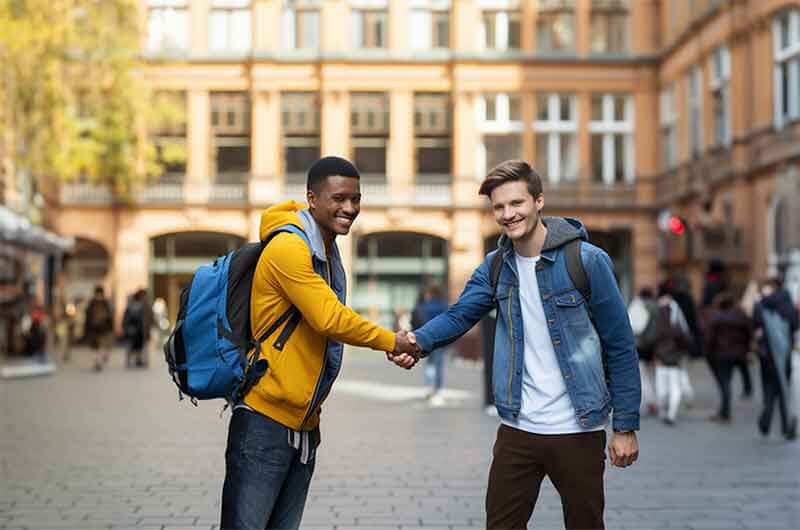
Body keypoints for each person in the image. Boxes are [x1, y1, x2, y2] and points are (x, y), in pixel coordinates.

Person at [399, 160, 641, 530]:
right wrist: (416, 341)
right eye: (499, 207)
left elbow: (620, 344)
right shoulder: (496, 267)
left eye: (517, 204)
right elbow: (461, 315)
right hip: (518, 429)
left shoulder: (587, 261)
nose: (508, 214)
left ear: (538, 201)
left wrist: (625, 426)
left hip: (578, 429)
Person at [220, 156, 419, 530]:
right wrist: (395, 340)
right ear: (312, 198)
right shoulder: (289, 249)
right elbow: (329, 318)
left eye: (356, 199)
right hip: (265, 421)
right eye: (339, 198)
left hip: (304, 424)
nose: (349, 208)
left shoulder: (325, 249)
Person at [753, 276, 799, 440]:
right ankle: (786, 425)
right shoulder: (788, 304)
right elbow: (795, 324)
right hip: (784, 353)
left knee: (769, 387)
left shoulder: (761, 303)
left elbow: (755, 323)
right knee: (783, 387)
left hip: (766, 353)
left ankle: (766, 419)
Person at [704, 291, 752, 423]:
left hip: (721, 354)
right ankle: (724, 410)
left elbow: (710, 338)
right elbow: (749, 333)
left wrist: (707, 352)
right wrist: (746, 348)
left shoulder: (716, 317)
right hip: (737, 353)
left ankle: (725, 412)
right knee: (727, 382)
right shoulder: (741, 316)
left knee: (724, 383)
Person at [653, 282, 692, 426]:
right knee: (675, 387)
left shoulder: (657, 311)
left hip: (661, 354)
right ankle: (671, 414)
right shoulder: (677, 311)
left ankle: (665, 412)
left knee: (662, 387)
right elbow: (685, 333)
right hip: (675, 355)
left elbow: (653, 336)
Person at [412, 282, 449, 406]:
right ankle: (438, 390)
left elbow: (418, 322)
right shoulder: (444, 306)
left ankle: (428, 387)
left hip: (426, 340)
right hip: (441, 340)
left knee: (429, 365)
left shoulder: (424, 306)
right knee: (439, 365)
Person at [629, 287, 658, 415]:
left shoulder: (637, 306)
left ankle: (650, 401)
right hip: (654, 345)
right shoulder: (656, 306)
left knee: (643, 375)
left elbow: (634, 327)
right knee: (653, 375)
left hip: (640, 345)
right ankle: (656, 401)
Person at [84, 285, 114, 371]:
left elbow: (88, 317)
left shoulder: (94, 303)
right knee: (98, 346)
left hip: (100, 328)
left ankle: (98, 361)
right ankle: (98, 362)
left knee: (99, 346)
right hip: (99, 328)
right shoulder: (102, 302)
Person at [122, 289, 151, 368]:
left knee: (136, 345)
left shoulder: (134, 304)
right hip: (138, 329)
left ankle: (137, 360)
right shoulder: (141, 305)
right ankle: (136, 360)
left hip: (137, 329)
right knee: (136, 345)